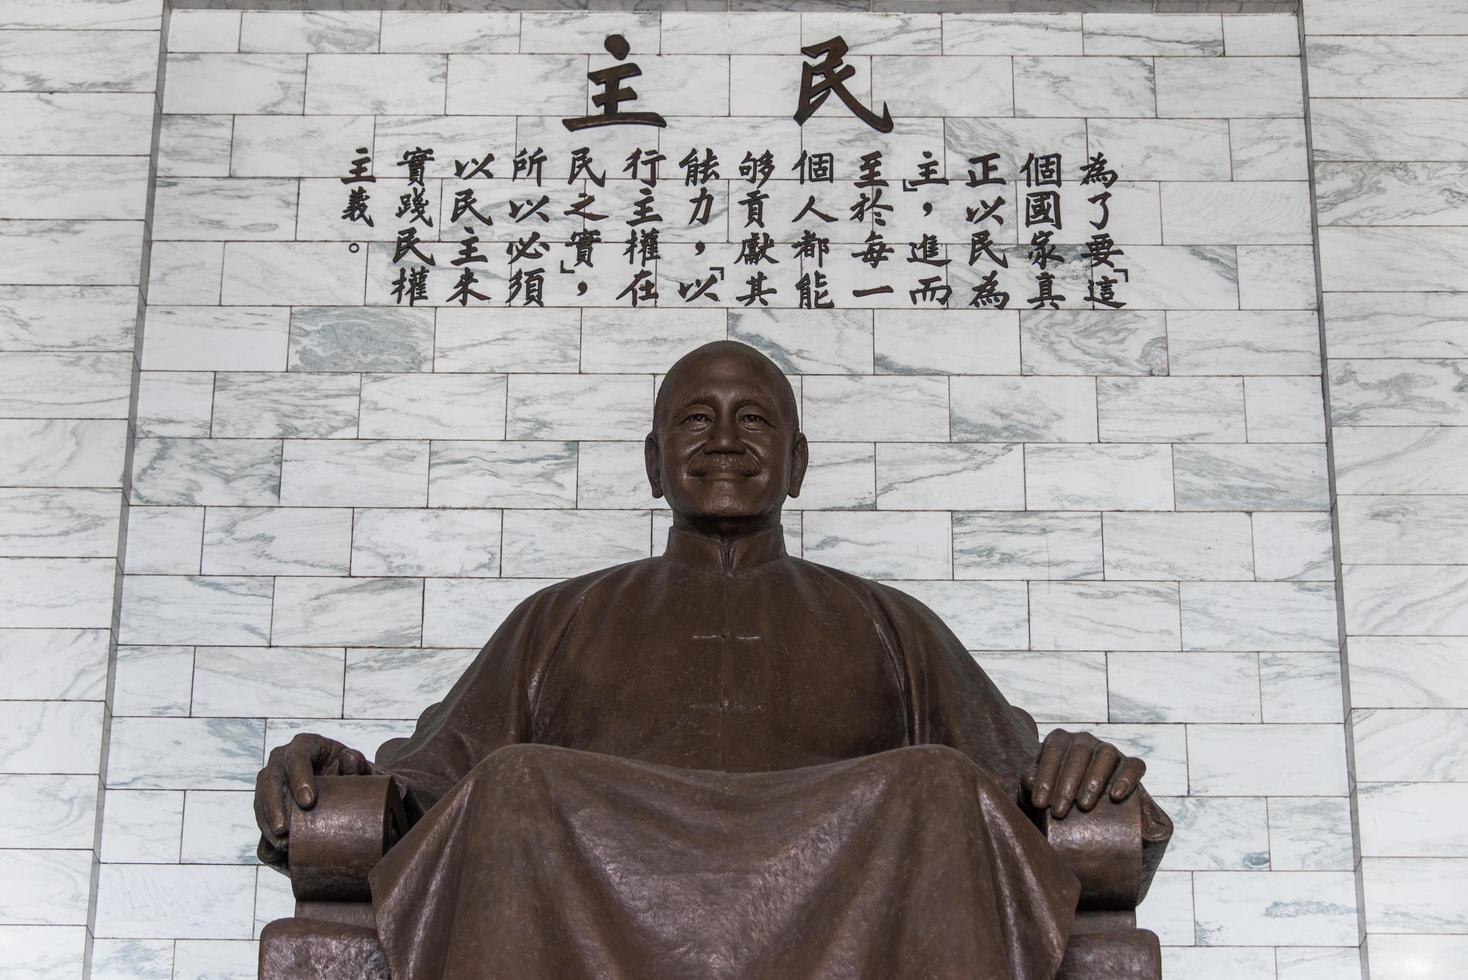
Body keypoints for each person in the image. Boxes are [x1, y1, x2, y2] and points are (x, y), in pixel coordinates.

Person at [254, 340, 1168, 979]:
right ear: (653, 463)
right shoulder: (558, 619)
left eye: (753, 421)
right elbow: (431, 786)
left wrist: (1075, 773)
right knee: (515, 781)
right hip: (590, 883)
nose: (724, 440)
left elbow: (1007, 789)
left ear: (799, 463)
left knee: (934, 782)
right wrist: (346, 778)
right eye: (695, 420)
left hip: (852, 885)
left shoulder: (890, 623)